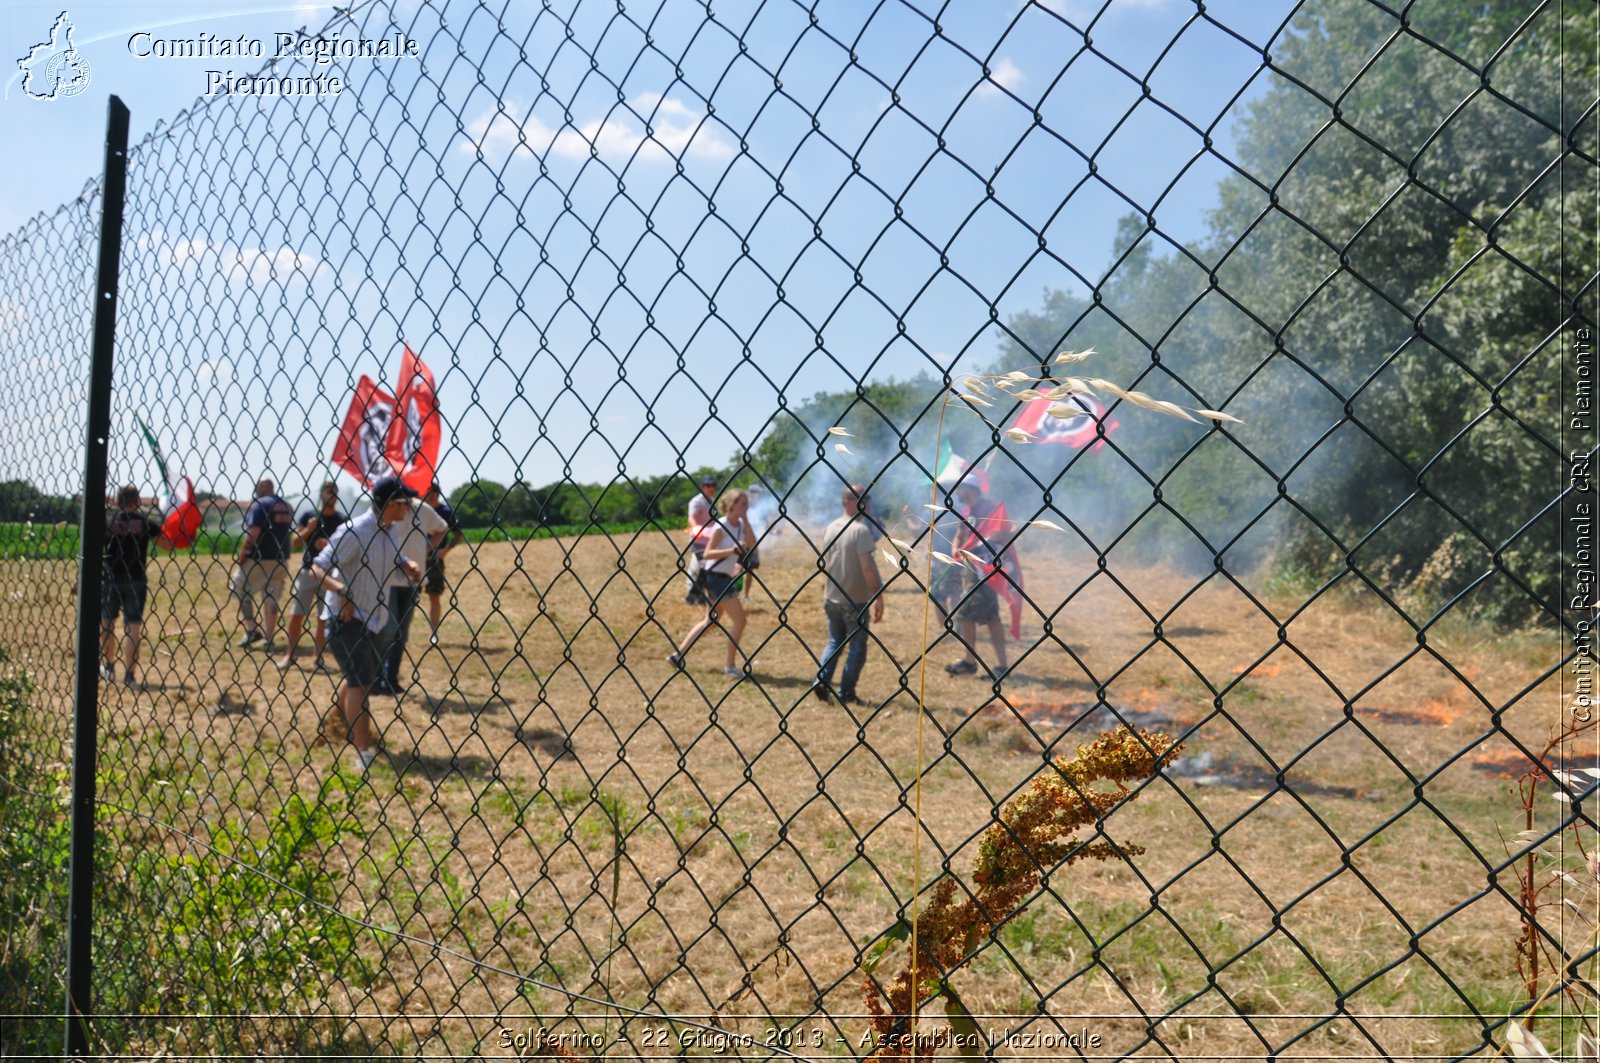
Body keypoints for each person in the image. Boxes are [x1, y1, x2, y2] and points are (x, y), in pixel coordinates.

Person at [312, 475, 422, 771]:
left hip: (375, 617)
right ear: (389, 505)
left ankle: (337, 722)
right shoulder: (355, 532)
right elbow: (318, 567)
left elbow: (393, 556)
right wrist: (343, 592)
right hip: (345, 619)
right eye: (404, 504)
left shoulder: (390, 532)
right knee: (360, 683)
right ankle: (363, 750)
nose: (408, 509)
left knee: (360, 678)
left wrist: (405, 565)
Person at [668, 487, 756, 677]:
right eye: (743, 503)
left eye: (747, 503)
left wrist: (746, 520)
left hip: (723, 578)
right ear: (732, 505)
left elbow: (752, 543)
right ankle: (730, 667)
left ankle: (678, 655)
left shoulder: (740, 525)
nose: (746, 506)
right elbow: (708, 553)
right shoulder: (721, 526)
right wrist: (731, 551)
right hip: (715, 578)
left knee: (711, 621)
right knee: (740, 621)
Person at [812, 483, 884, 706]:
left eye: (867, 499)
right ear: (847, 502)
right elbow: (867, 568)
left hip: (832, 596)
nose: (867, 503)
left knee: (835, 642)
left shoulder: (832, 527)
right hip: (855, 600)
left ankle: (821, 680)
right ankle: (847, 693)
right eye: (861, 499)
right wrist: (879, 596)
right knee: (857, 648)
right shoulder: (860, 530)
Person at [376, 488, 449, 695]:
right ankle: (378, 676)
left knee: (402, 632)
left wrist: (430, 547)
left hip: (413, 578)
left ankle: (391, 678)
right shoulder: (390, 509)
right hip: (387, 577)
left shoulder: (423, 510)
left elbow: (442, 527)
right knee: (388, 630)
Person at [99, 485, 170, 688]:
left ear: (117, 501)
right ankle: (130, 675)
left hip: (111, 577)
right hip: (136, 578)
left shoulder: (110, 523)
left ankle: (109, 666)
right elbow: (167, 545)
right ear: (138, 501)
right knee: (133, 627)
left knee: (107, 623)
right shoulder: (146, 523)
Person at [943, 480, 1010, 680]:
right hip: (972, 571)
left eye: (960, 488)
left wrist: (996, 536)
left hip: (987, 571)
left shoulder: (992, 508)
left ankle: (971, 662)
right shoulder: (966, 512)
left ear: (970, 489)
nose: (957, 492)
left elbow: (1006, 533)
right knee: (991, 618)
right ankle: (1001, 666)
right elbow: (959, 534)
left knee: (963, 614)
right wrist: (955, 547)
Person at [278, 481, 346, 671]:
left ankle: (318, 659)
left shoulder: (342, 520)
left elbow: (347, 546)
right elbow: (295, 543)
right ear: (322, 494)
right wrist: (309, 529)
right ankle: (289, 655)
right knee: (297, 613)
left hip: (330, 575)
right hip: (307, 571)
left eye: (335, 492)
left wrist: (330, 545)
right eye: (329, 492)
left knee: (323, 618)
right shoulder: (309, 516)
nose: (332, 495)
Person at [231, 477, 294, 650]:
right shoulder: (287, 506)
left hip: (260, 557)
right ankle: (269, 637)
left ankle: (251, 628)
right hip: (281, 557)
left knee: (240, 585)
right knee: (271, 596)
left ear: (264, 487)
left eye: (258, 487)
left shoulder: (260, 505)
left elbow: (254, 532)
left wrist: (243, 552)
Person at [422, 482, 466, 641]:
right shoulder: (416, 509)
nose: (432, 496)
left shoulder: (446, 512)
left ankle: (434, 632)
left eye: (435, 493)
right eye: (429, 493)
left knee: (434, 596)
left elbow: (458, 534)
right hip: (414, 558)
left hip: (434, 560)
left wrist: (445, 550)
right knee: (407, 597)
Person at [684, 473, 718, 604]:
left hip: (710, 541)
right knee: (697, 567)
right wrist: (696, 529)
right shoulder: (697, 501)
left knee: (706, 568)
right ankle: (691, 594)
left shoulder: (713, 501)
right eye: (707, 486)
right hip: (698, 541)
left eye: (713, 485)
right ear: (702, 487)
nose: (711, 488)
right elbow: (691, 518)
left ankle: (698, 595)